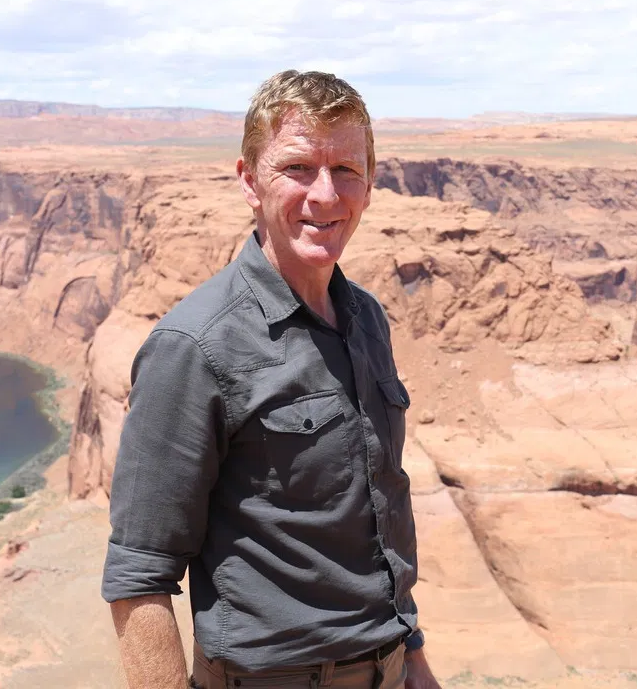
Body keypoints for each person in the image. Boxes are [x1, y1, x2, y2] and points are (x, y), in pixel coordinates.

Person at [101, 70, 440, 689]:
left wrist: (413, 661)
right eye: (297, 169)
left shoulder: (366, 319)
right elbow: (139, 573)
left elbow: (379, 514)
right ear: (248, 180)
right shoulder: (196, 346)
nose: (325, 195)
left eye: (346, 170)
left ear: (369, 184)